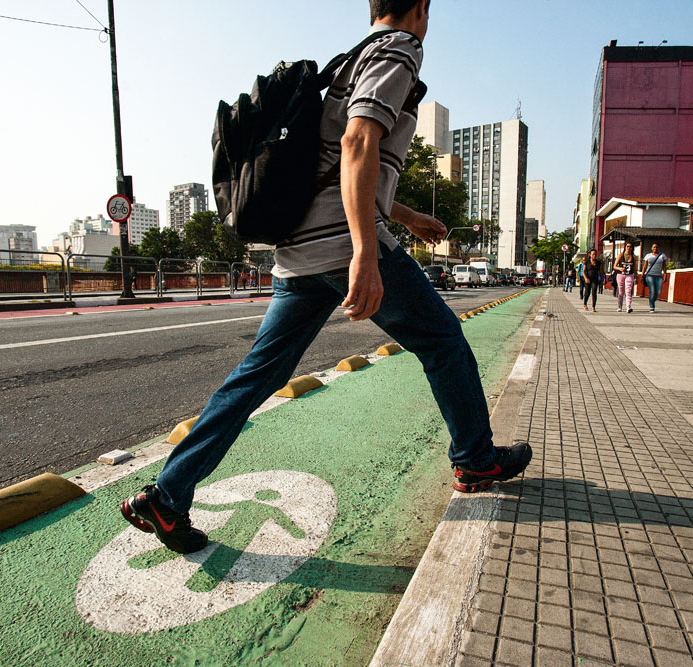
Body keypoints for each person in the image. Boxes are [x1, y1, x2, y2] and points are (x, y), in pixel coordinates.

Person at [120, 0, 531, 555]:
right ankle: (476, 462)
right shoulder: (399, 49)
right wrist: (365, 251)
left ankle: (167, 497)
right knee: (443, 341)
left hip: (298, 253)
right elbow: (357, 142)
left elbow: (337, 163)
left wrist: (407, 215)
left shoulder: (349, 61)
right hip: (341, 245)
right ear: (421, 7)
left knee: (255, 378)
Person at [639, 243, 667, 313]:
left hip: (659, 276)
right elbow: (645, 266)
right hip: (649, 275)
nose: (655, 248)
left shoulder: (662, 256)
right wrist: (642, 275)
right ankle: (652, 306)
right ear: (651, 248)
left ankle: (652, 300)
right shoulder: (648, 256)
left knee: (658, 292)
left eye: (656, 247)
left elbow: (664, 266)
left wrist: (665, 275)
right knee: (652, 290)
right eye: (654, 247)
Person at [613, 241, 637, 313]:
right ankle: (619, 306)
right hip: (621, 274)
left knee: (628, 291)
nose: (629, 248)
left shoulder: (633, 257)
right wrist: (620, 268)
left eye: (630, 247)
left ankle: (628, 307)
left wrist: (636, 277)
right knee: (621, 291)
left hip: (630, 275)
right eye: (627, 246)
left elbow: (635, 268)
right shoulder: (621, 255)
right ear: (625, 247)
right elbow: (614, 266)